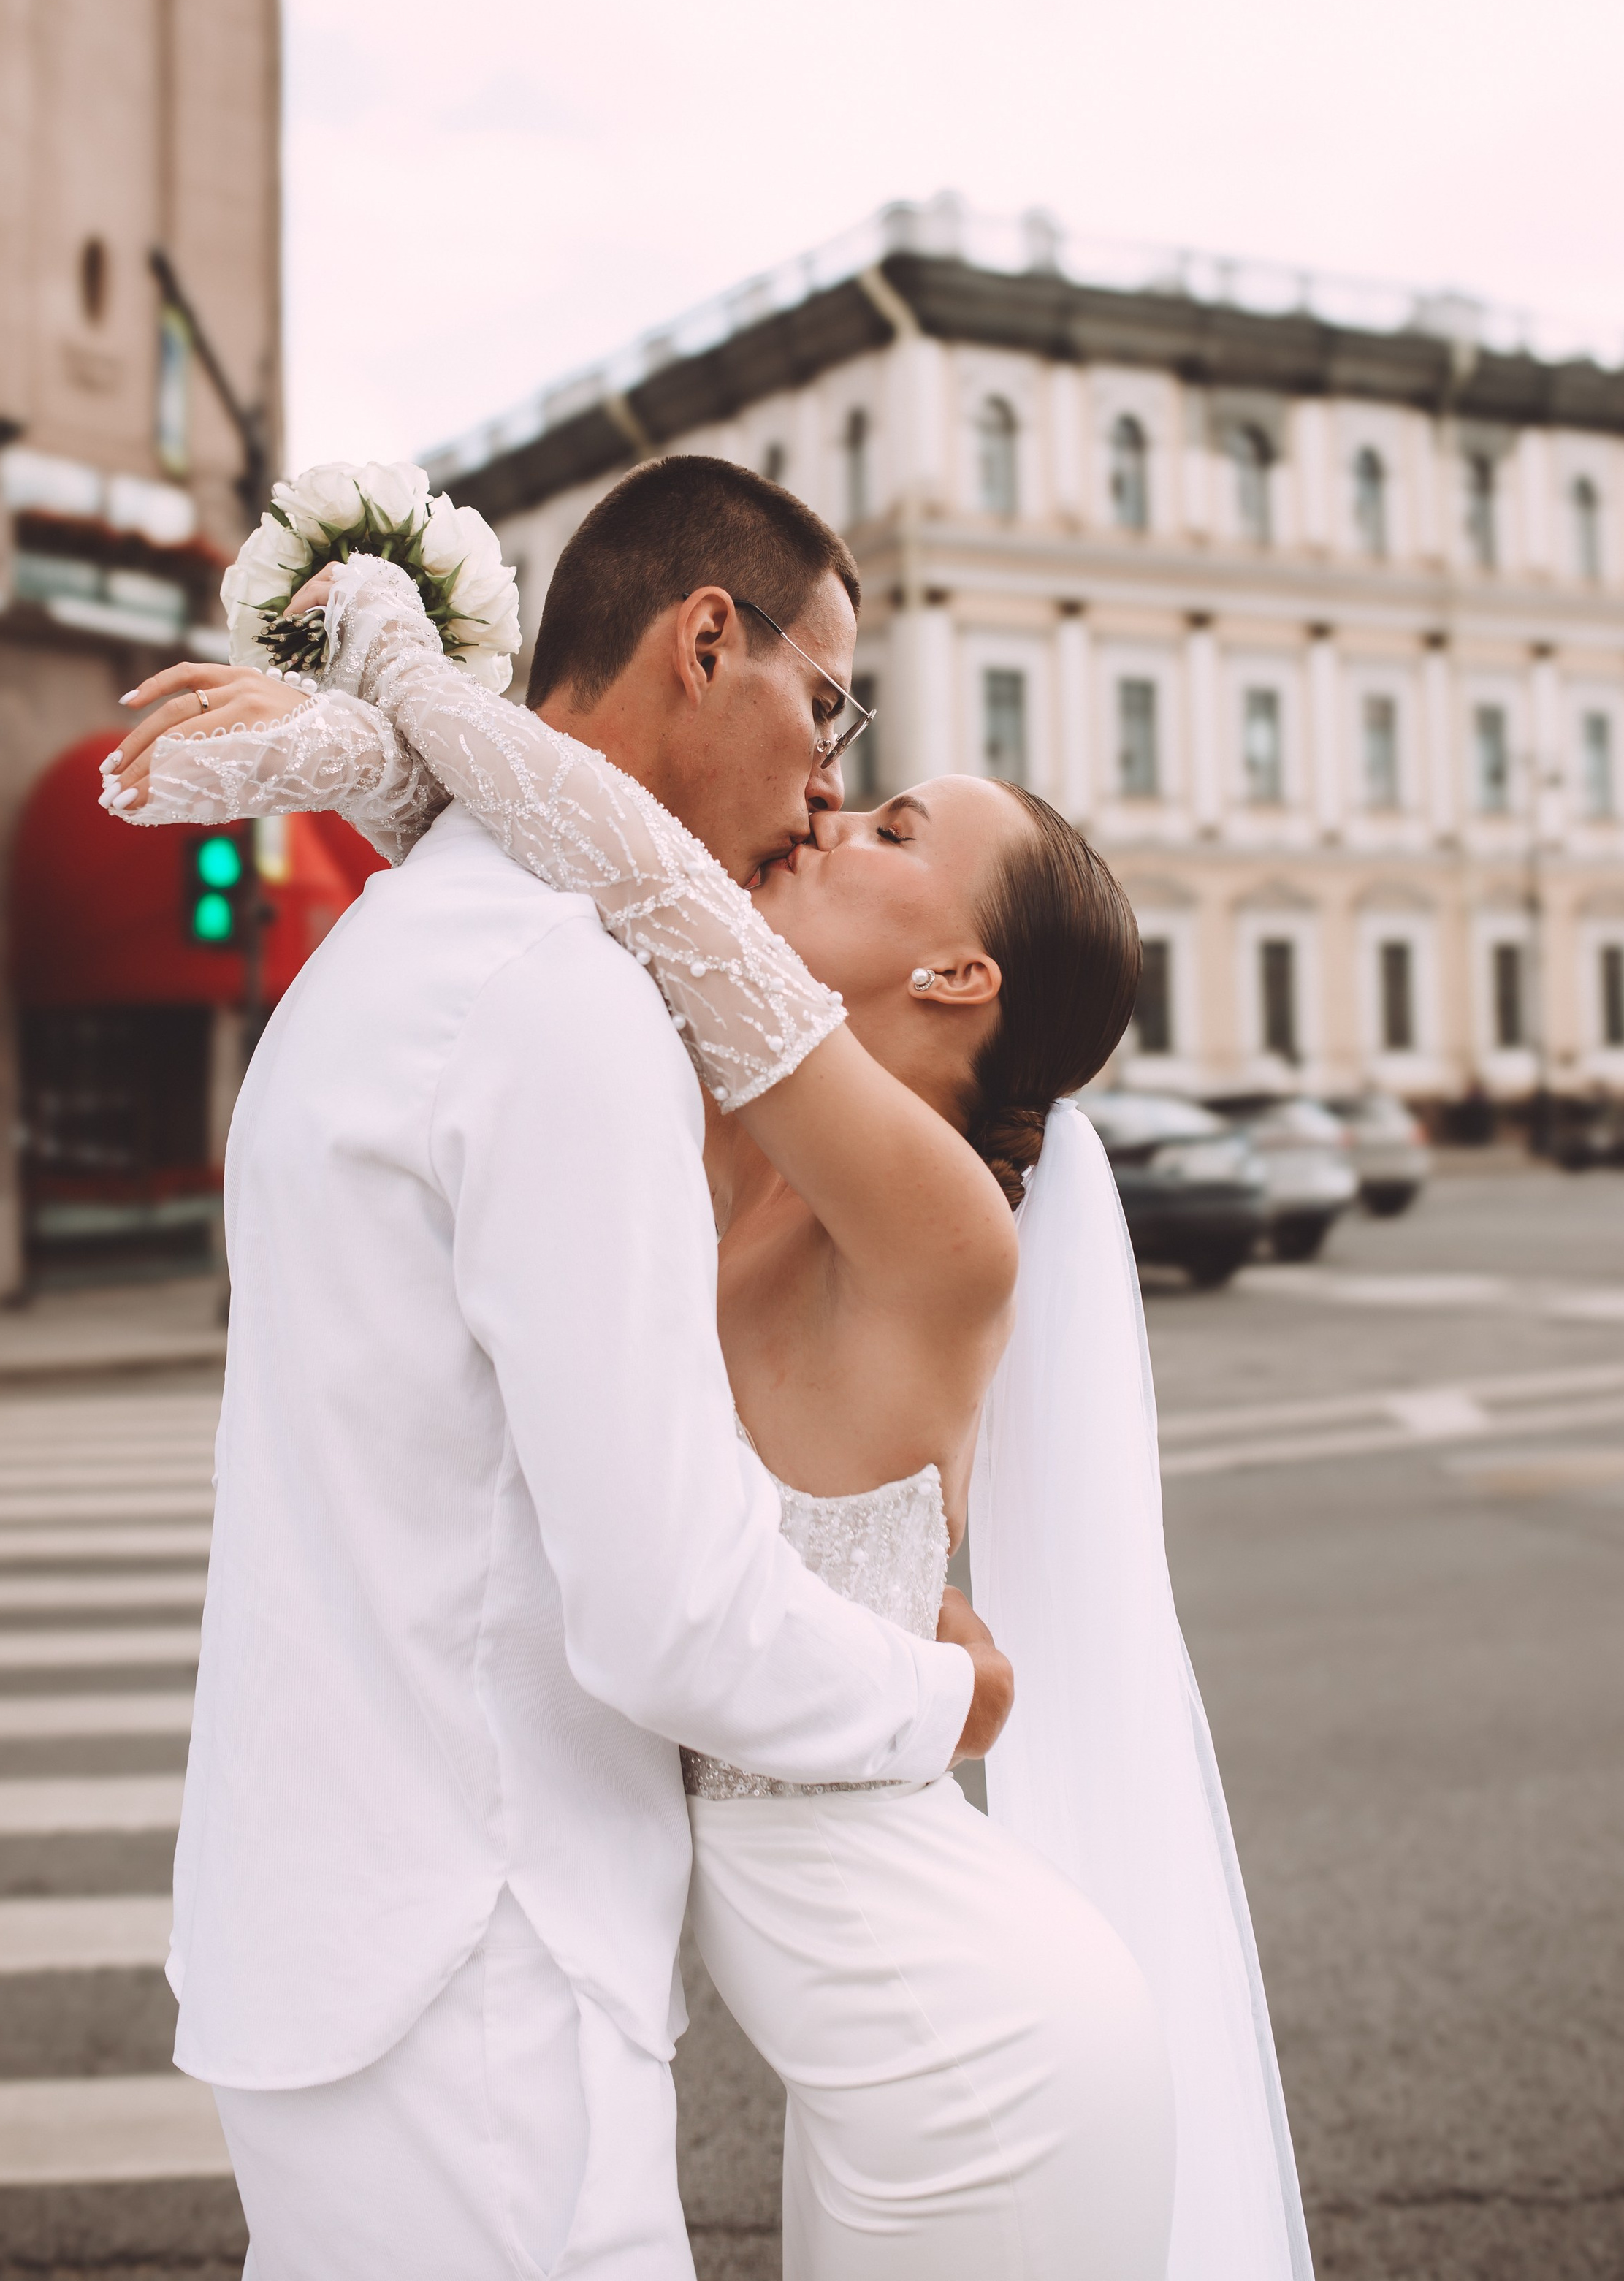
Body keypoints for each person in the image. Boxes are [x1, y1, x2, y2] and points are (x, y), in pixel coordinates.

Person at [115, 454, 1311, 2280]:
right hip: (509, 1965)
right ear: (705, 642)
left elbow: (626, 880)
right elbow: (601, 884)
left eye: (894, 822)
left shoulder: (898, 1197)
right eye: (831, 716)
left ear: (963, 980)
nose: (832, 801)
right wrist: (370, 742)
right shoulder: (648, 1065)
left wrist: (392, 703)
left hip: (938, 2037)